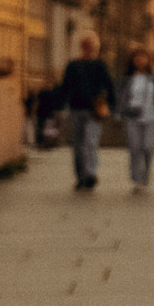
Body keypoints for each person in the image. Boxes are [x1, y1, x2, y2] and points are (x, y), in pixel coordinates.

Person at [57, 36, 114, 191]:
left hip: (94, 111)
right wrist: (60, 106)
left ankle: (89, 174)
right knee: (78, 145)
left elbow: (109, 85)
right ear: (83, 47)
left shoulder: (99, 65)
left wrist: (111, 105)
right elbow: (65, 87)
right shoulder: (74, 65)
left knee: (89, 142)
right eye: (89, 47)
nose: (92, 50)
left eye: (94, 47)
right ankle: (81, 176)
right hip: (76, 109)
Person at [120, 50, 154, 192]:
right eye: (137, 58)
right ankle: (136, 178)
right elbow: (122, 97)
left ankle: (145, 174)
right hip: (132, 116)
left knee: (148, 147)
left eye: (143, 58)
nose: (140, 61)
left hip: (150, 117)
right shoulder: (128, 78)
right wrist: (120, 112)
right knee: (134, 147)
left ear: (148, 60)